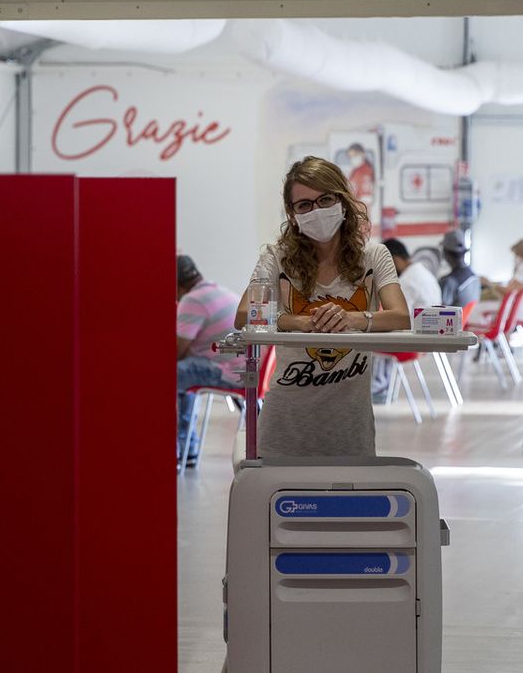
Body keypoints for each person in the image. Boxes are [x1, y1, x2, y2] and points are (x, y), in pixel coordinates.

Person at [235, 156, 409, 458]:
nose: (315, 211)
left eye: (324, 199)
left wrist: (351, 318)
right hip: (285, 423)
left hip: (349, 424)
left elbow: (400, 316)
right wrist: (297, 322)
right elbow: (242, 316)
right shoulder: (276, 258)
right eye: (304, 205)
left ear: (342, 200)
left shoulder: (374, 255)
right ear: (292, 214)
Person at [175, 254, 245, 463]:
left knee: (171, 374)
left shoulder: (192, 300)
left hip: (229, 371)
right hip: (245, 367)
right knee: (184, 371)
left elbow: (177, 350)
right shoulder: (215, 290)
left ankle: (181, 448)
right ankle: (188, 448)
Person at [370, 238, 443, 400]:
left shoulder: (406, 281)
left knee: (366, 341)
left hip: (413, 343)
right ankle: (381, 385)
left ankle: (376, 388)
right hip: (427, 338)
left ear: (394, 261)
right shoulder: (423, 273)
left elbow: (397, 320)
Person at [482, 237, 523, 303]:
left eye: (516, 254)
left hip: (521, 307)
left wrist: (490, 284)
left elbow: (508, 292)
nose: (515, 258)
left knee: (477, 308)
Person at [437, 230, 480, 309]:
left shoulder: (449, 281)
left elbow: (440, 313)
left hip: (456, 321)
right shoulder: (474, 277)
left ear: (446, 254)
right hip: (468, 320)